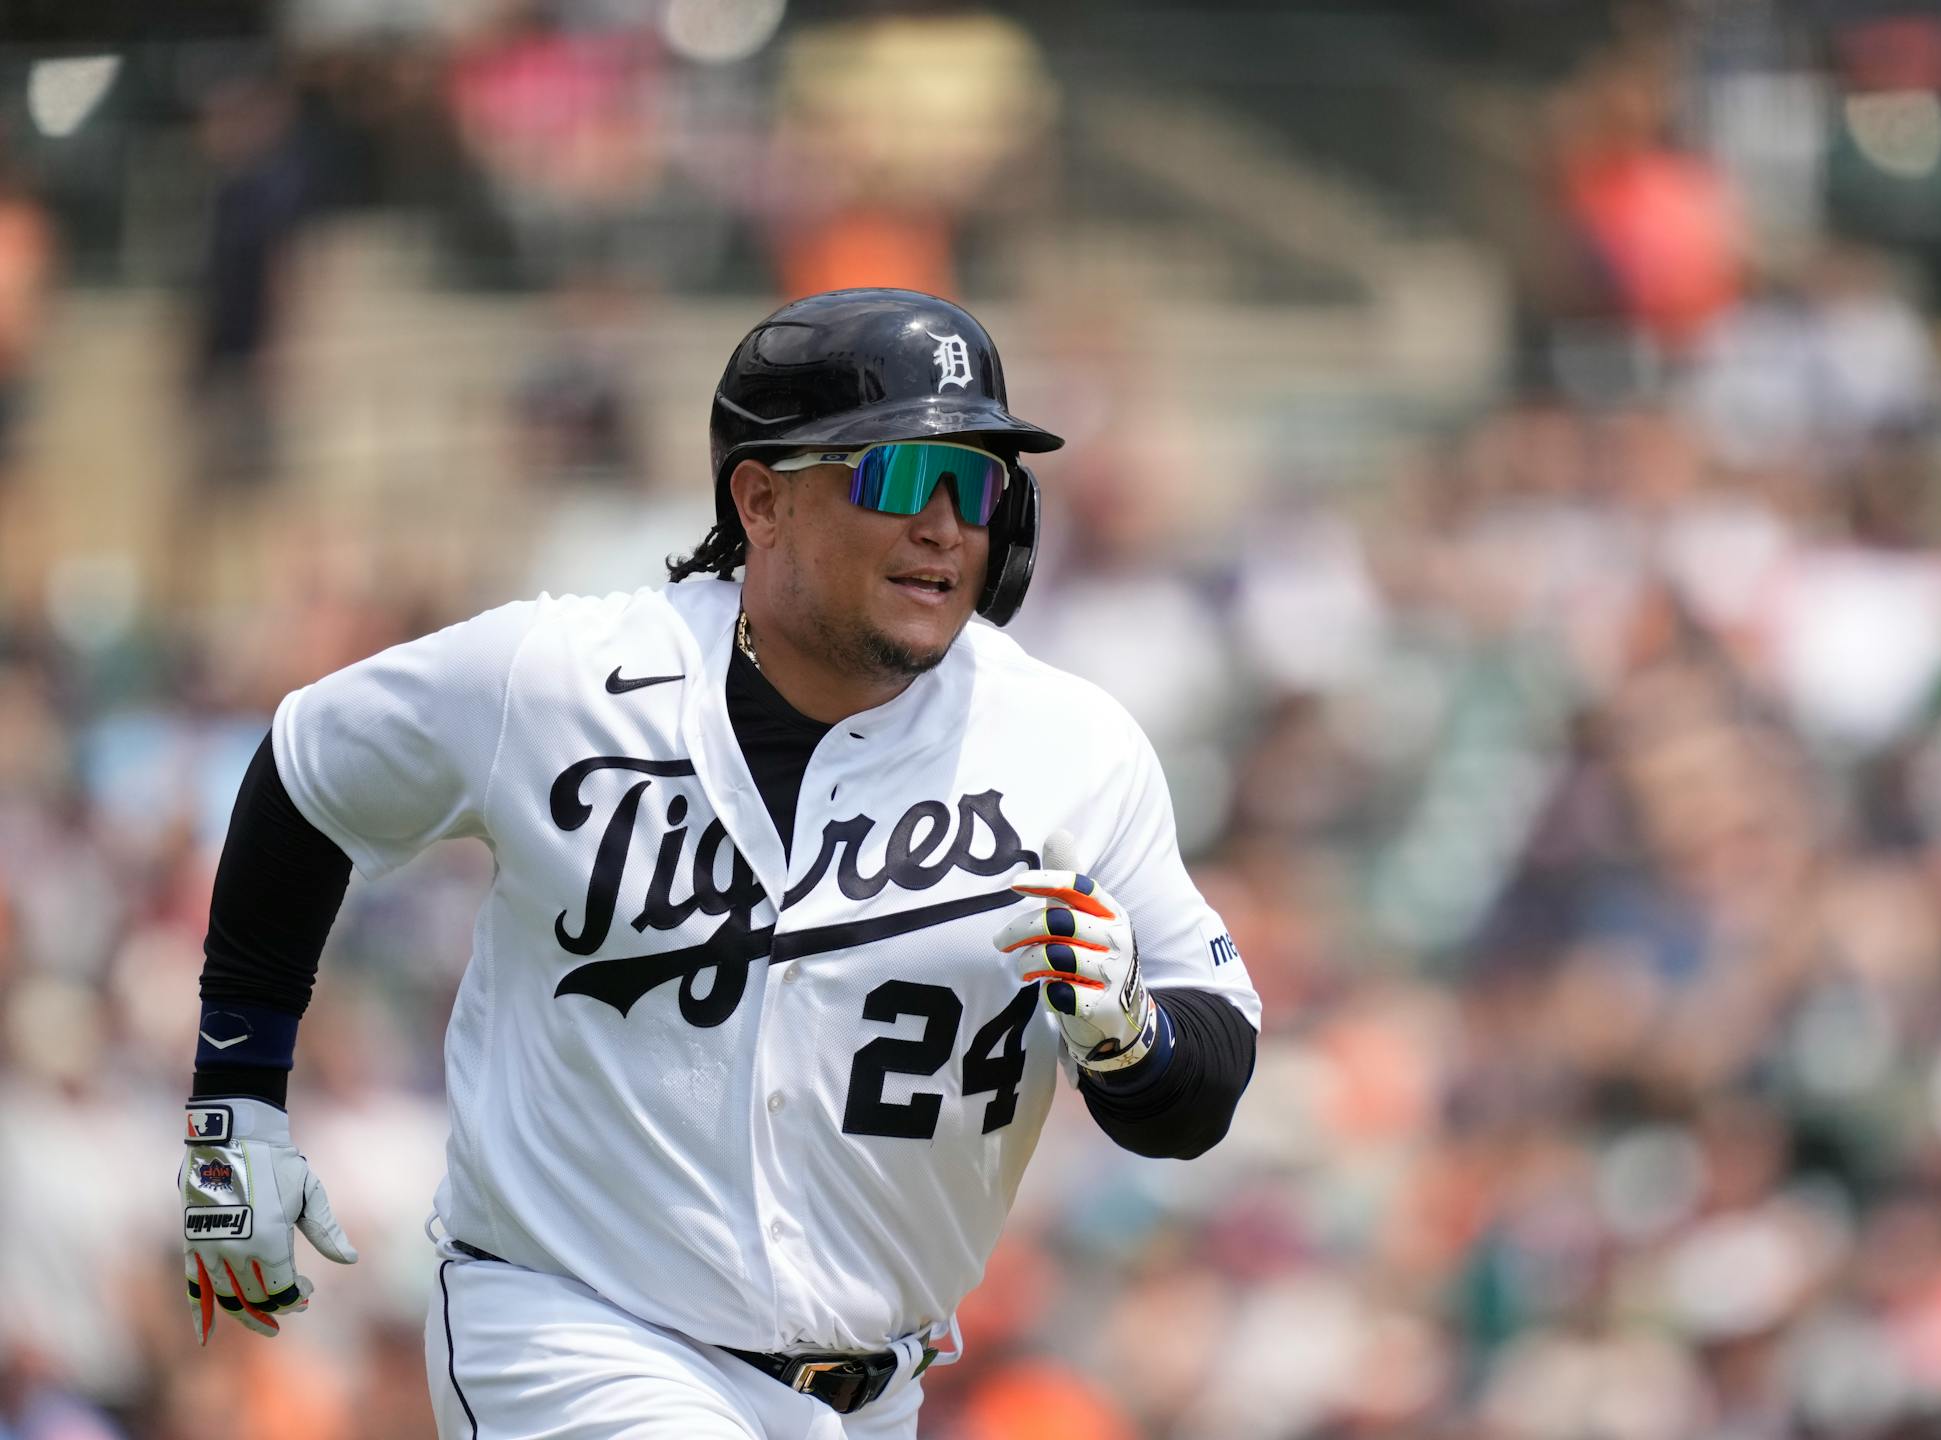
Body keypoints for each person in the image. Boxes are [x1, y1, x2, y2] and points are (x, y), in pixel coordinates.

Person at [177, 288, 1261, 1437]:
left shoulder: (1071, 748)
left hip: (871, 1391)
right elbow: (307, 770)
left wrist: (1134, 1040)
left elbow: (1204, 1084)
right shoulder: (558, 679)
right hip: (569, 1330)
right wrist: (231, 1113)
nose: (945, 524)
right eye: (897, 476)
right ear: (763, 500)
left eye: (978, 481)